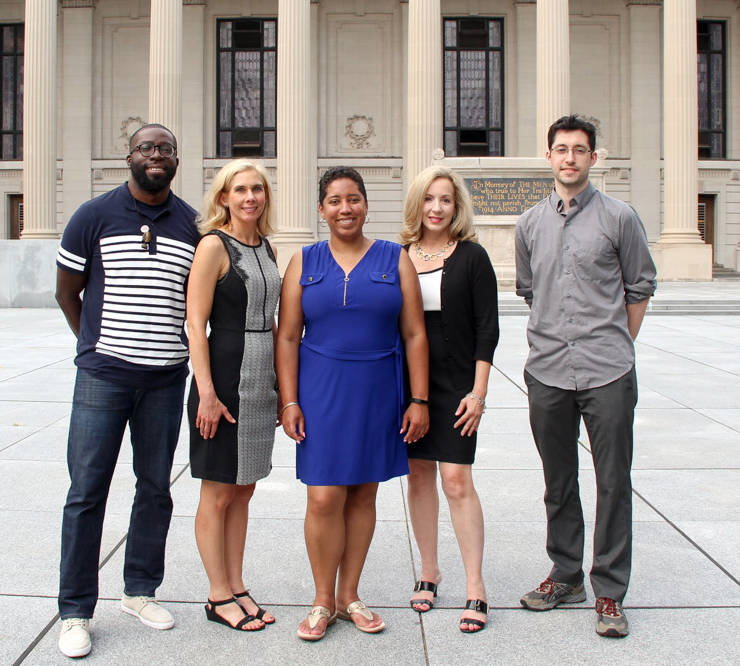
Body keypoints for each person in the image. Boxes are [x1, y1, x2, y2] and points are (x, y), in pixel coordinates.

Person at [54, 123, 199, 658]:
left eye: (165, 148)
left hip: (165, 379)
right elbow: (67, 293)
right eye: (146, 147)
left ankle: (140, 591)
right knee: (86, 492)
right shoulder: (93, 217)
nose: (156, 155)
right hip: (103, 378)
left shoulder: (193, 224)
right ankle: (74, 611)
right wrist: (97, 346)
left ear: (176, 160)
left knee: (155, 488)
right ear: (130, 156)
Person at [514, 114, 657, 638]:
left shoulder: (620, 218)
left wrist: (617, 343)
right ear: (548, 157)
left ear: (594, 158)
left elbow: (639, 287)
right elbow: (531, 291)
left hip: (608, 371)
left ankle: (610, 591)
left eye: (579, 149)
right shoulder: (529, 224)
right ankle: (566, 573)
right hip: (548, 370)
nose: (569, 157)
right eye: (560, 149)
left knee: (614, 482)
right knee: (558, 480)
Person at [277, 166, 430, 642]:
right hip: (321, 389)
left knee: (364, 492)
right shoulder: (304, 262)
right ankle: (322, 599)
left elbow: (415, 333)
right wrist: (289, 400)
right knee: (324, 495)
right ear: (321, 209)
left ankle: (350, 596)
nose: (346, 208)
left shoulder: (394, 258)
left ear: (366, 204)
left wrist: (418, 399)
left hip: (378, 388)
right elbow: (286, 336)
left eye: (354, 199)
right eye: (335, 201)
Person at [401, 166, 499, 634]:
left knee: (456, 480)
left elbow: (487, 329)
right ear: (417, 204)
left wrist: (479, 392)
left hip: (459, 382)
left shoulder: (473, 257)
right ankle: (428, 570)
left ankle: (475, 585)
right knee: (419, 474)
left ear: (456, 207)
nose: (436, 208)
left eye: (445, 200)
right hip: (410, 385)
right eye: (429, 199)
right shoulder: (398, 256)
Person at [185, 160, 281, 632]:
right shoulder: (212, 246)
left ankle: (238, 584)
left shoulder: (267, 246)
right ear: (223, 197)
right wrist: (205, 392)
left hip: (260, 383)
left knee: (245, 489)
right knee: (218, 490)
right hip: (222, 381)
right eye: (239, 189)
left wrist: (282, 389)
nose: (249, 197)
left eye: (257, 188)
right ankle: (217, 594)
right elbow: (194, 324)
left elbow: (277, 322)